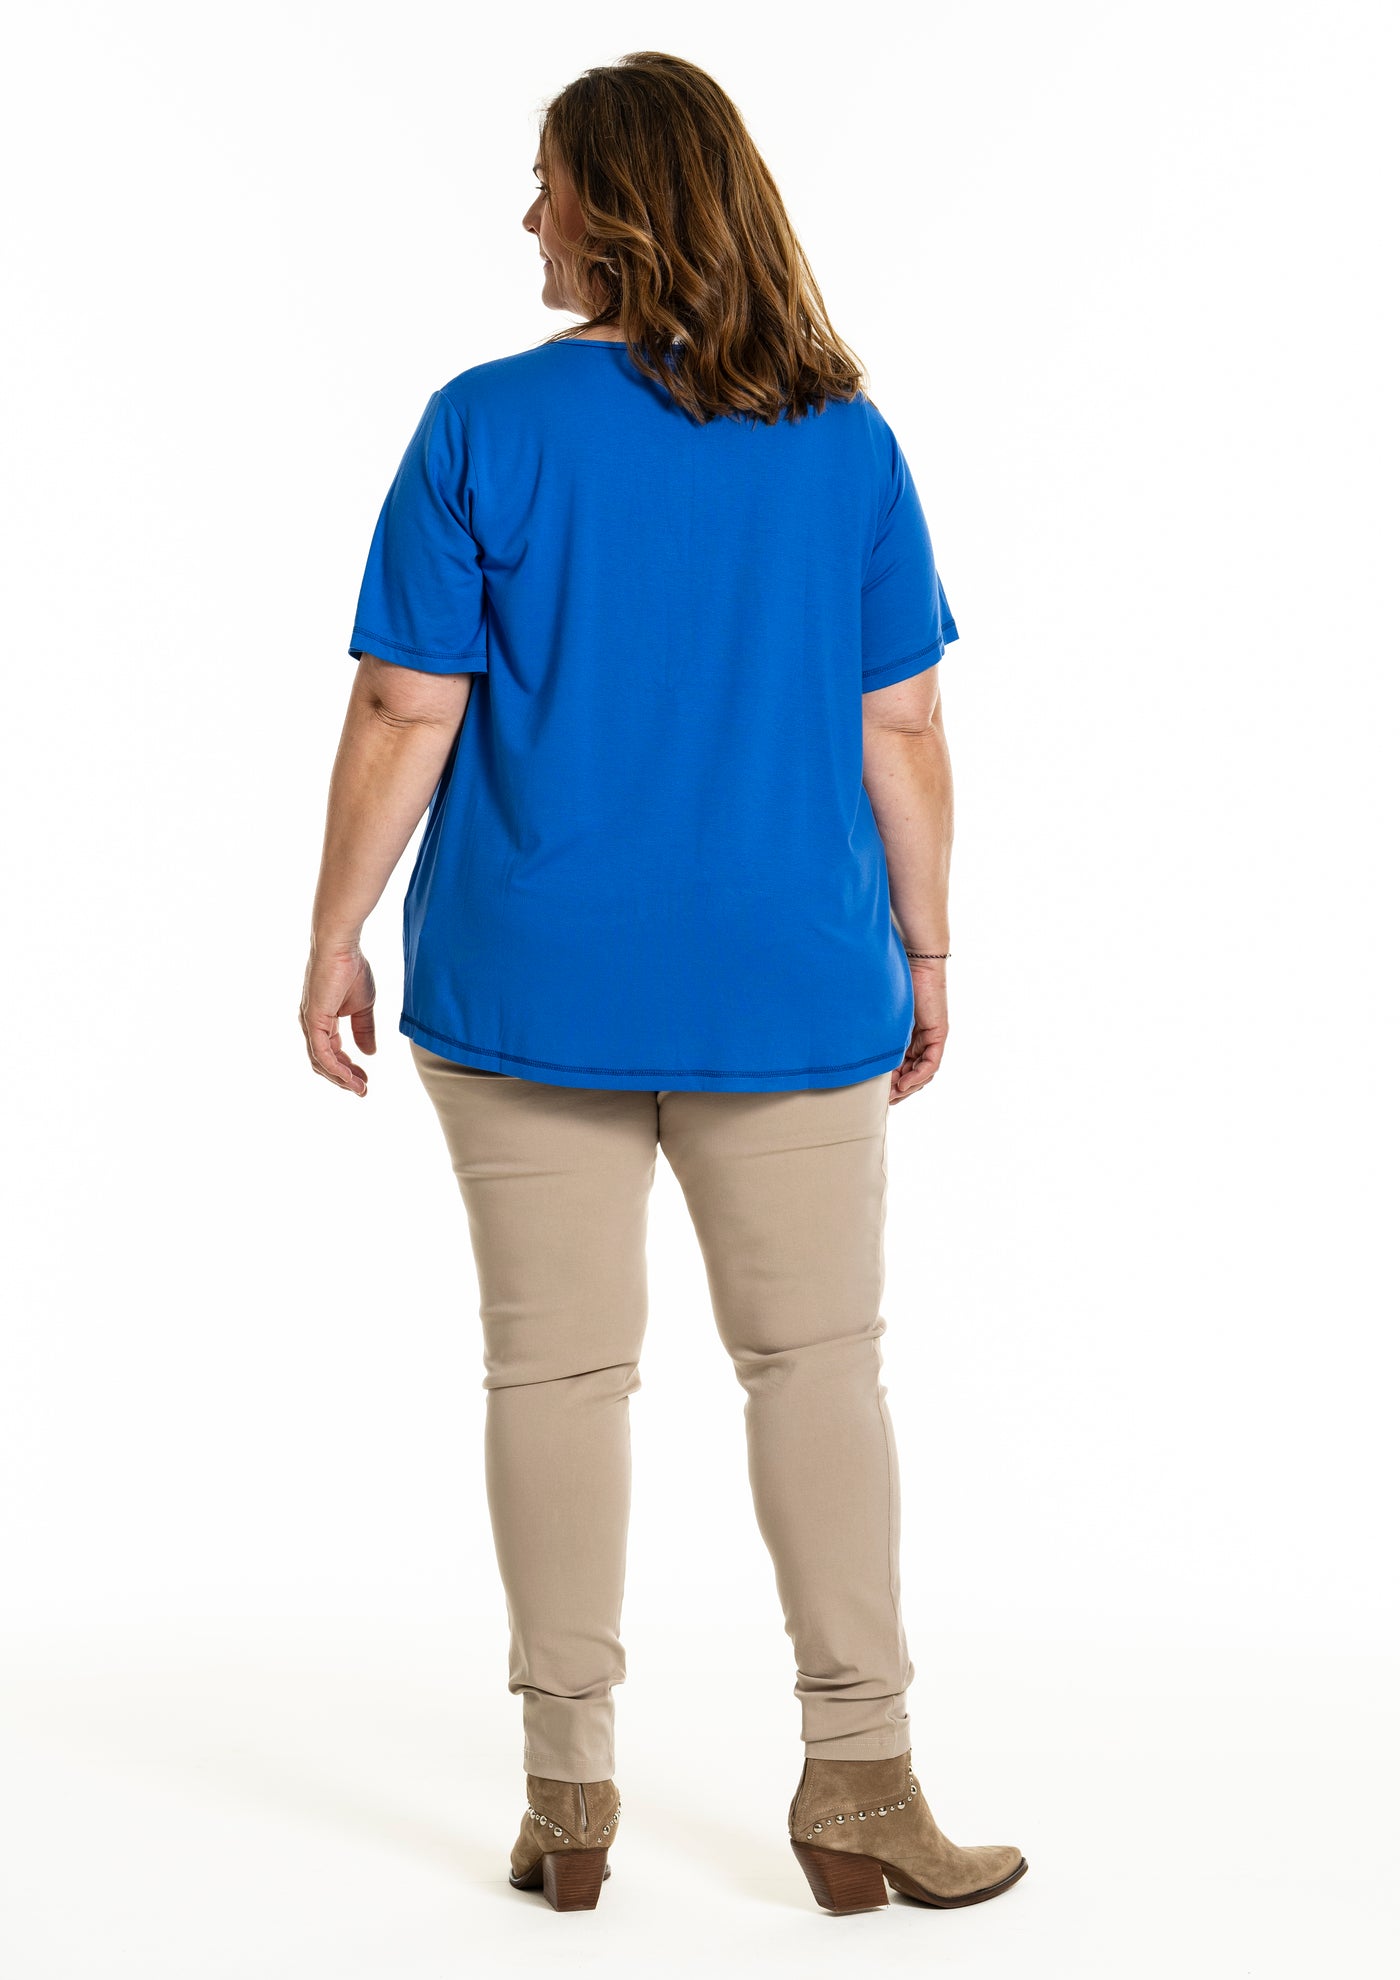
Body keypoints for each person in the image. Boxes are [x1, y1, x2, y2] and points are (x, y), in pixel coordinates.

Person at [299, 50, 1025, 1917]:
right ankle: (863, 1782)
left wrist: (333, 931)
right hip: (791, 983)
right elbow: (903, 725)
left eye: (543, 182)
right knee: (818, 1370)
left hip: (526, 980)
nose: (525, 215)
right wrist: (929, 946)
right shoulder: (845, 443)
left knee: (553, 1372)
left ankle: (568, 1799)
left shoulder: (482, 425)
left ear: (613, 205)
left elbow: (403, 707)